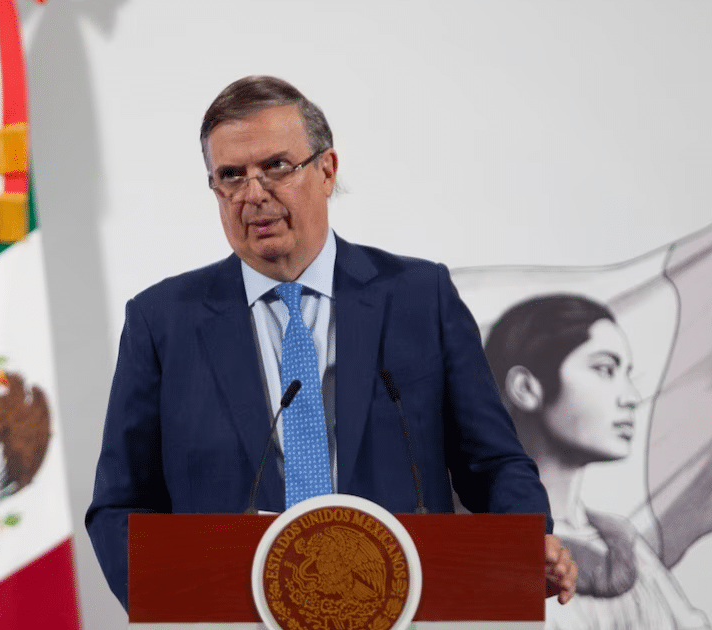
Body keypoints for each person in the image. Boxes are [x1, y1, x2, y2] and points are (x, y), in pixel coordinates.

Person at [84, 75, 577, 610]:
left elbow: (494, 464)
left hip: (408, 611)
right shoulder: (162, 322)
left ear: (326, 170)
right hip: (234, 616)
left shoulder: (419, 297)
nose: (254, 194)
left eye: (276, 166)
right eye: (231, 176)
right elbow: (119, 507)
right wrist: (177, 609)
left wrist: (526, 542)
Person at [486, 294, 710, 630]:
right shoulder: (476, 548)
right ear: (526, 388)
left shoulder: (623, 543)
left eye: (627, 374)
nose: (631, 397)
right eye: (605, 369)